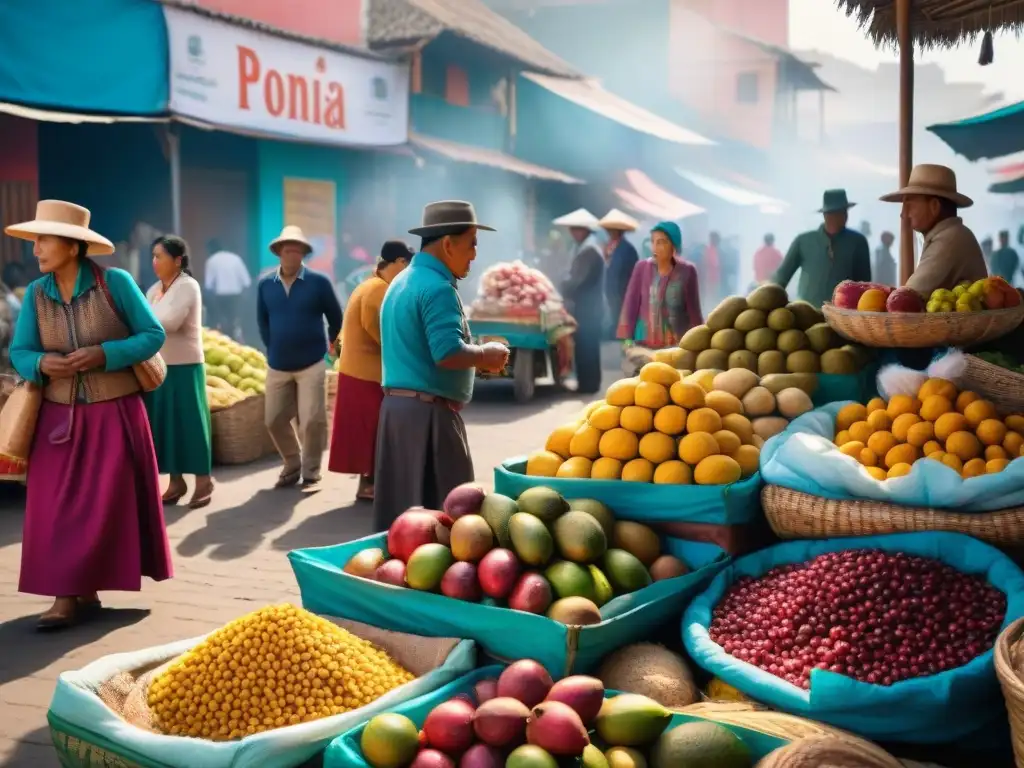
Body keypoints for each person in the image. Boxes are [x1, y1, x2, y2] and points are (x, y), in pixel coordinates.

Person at [5, 200, 172, 629]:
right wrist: (42, 365)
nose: (37, 248)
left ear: (73, 246)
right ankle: (67, 593)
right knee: (56, 508)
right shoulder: (37, 295)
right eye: (36, 239)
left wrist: (105, 353)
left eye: (45, 239)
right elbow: (20, 351)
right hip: (56, 420)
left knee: (105, 506)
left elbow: (152, 334)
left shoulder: (115, 283)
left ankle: (84, 591)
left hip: (115, 414)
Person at [374, 201, 508, 529]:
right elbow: (447, 351)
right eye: (472, 243)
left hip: (397, 413)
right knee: (448, 525)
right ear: (448, 244)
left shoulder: (402, 281)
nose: (475, 254)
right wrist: (485, 354)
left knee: (402, 523)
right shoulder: (437, 289)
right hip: (428, 419)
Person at [257, 225, 343, 488]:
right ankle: (292, 461)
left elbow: (336, 317)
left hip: (312, 362)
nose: (291, 254)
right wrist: (273, 348)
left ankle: (311, 469)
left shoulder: (319, 283)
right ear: (279, 253)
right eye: (287, 250)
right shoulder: (265, 285)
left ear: (304, 254)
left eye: (297, 250)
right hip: (278, 364)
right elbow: (263, 322)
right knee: (273, 419)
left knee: (312, 419)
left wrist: (331, 344)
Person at [328, 240, 412, 502]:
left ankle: (373, 483)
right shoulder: (378, 289)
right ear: (398, 262)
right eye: (407, 264)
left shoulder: (368, 284)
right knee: (374, 431)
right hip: (366, 374)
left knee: (370, 431)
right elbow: (379, 331)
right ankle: (369, 485)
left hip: (358, 371)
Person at [144, 235, 215, 510]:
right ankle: (176, 482)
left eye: (159, 256)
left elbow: (169, 322)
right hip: (159, 367)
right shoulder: (153, 290)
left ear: (177, 260)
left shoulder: (188, 286)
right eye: (153, 256)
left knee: (192, 425)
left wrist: (143, 322)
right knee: (168, 426)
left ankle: (203, 481)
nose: (154, 262)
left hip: (186, 366)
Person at [879, 164, 988, 295]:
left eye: (909, 205)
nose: (903, 214)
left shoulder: (950, 239)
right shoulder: (952, 234)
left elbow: (908, 296)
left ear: (934, 206)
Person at [772, 189, 871, 307]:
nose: (842, 216)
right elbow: (781, 278)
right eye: (835, 212)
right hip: (806, 315)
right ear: (825, 215)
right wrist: (768, 305)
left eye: (844, 212)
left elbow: (865, 287)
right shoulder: (803, 241)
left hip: (843, 317)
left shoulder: (858, 242)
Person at [617, 221, 703, 348]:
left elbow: (694, 310)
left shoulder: (687, 271)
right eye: (653, 242)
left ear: (674, 246)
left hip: (676, 345)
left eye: (662, 242)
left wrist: (701, 339)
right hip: (645, 344)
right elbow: (630, 304)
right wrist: (626, 339)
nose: (655, 248)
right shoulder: (642, 268)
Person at [554, 208, 605, 394]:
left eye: (574, 229)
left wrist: (561, 286)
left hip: (588, 309)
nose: (572, 233)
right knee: (586, 347)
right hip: (587, 307)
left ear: (583, 230)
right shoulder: (585, 248)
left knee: (587, 347)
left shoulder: (589, 251)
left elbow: (575, 280)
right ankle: (587, 384)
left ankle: (588, 386)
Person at [598, 209, 639, 340]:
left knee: (623, 328)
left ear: (618, 231)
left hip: (622, 296)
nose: (608, 232)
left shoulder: (628, 250)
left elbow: (633, 276)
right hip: (610, 294)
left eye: (611, 229)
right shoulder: (609, 247)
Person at [204, 239, 251, 339]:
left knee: (222, 323)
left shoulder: (211, 260)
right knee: (234, 322)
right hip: (237, 296)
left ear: (210, 249)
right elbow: (246, 282)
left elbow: (208, 285)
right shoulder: (235, 258)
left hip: (220, 297)